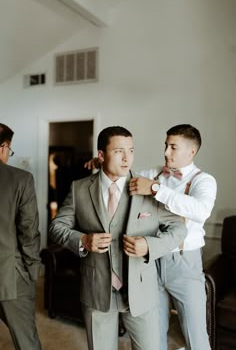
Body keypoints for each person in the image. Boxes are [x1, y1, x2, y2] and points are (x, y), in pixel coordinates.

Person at [49, 126, 187, 350]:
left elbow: (178, 229)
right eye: (119, 151)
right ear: (101, 155)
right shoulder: (80, 189)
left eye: (131, 151)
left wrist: (149, 245)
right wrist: (82, 240)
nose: (127, 159)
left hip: (142, 293)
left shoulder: (148, 188)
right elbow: (57, 226)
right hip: (96, 291)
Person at [129, 124, 217, 350]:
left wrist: (157, 189)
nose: (166, 152)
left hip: (184, 263)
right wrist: (104, 166)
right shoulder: (154, 173)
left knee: (196, 336)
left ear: (192, 151)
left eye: (173, 147)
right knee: (153, 333)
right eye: (166, 146)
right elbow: (127, 180)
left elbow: (200, 210)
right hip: (151, 260)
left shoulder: (204, 180)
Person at [0, 123, 42, 350]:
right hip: (11, 277)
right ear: (3, 147)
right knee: (27, 342)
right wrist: (34, 271)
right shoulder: (20, 179)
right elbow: (29, 232)